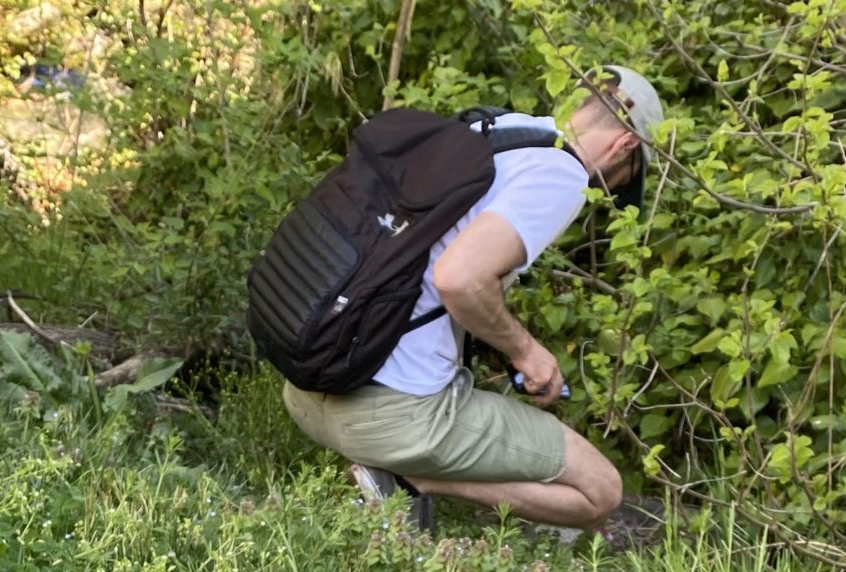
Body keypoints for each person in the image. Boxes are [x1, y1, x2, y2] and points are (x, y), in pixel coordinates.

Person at [278, 68, 663, 535]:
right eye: (622, 180)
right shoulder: (562, 173)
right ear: (624, 148)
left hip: (307, 387)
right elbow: (458, 279)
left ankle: (393, 467)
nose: (608, 190)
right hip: (387, 418)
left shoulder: (497, 131)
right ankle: (410, 477)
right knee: (600, 492)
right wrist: (526, 352)